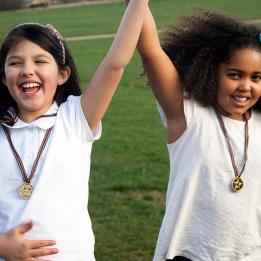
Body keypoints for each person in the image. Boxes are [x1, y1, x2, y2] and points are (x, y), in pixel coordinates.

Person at [0, 0, 148, 260]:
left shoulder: (76, 118)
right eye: (15, 63)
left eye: (40, 61)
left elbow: (116, 63)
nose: (27, 71)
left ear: (62, 75)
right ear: (3, 77)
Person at [134, 4, 261, 261]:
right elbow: (151, 52)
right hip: (189, 254)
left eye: (256, 77)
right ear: (211, 72)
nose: (245, 87)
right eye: (235, 75)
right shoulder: (189, 115)